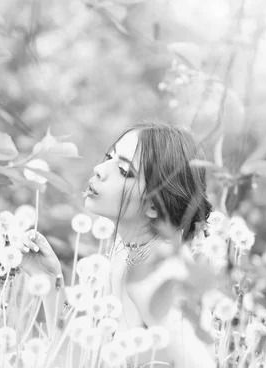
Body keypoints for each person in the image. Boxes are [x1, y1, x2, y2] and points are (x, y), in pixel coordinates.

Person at [20, 122, 216, 367]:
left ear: (155, 205)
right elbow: (77, 361)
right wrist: (51, 282)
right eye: (110, 157)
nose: (100, 169)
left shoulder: (160, 278)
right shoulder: (126, 253)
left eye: (124, 170)